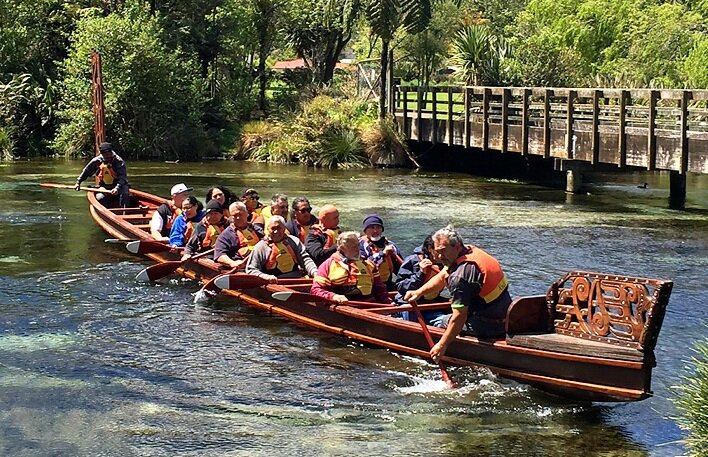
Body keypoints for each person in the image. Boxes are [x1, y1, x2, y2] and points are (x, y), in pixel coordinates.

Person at [404, 226, 512, 363]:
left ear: (456, 246)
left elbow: (459, 316)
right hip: (504, 317)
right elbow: (444, 274)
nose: (440, 257)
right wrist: (419, 292)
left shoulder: (460, 277)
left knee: (436, 319)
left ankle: (428, 324)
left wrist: (442, 345)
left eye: (443, 251)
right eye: (437, 252)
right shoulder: (470, 251)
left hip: (485, 326)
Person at [310, 231, 391, 304]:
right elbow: (316, 290)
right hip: (345, 307)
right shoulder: (327, 265)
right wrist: (333, 296)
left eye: (358, 245)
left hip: (369, 306)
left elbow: (379, 288)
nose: (358, 249)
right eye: (354, 247)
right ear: (342, 248)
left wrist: (387, 301)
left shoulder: (369, 265)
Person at [245, 215, 318, 282]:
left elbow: (305, 259)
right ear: (267, 229)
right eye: (273, 228)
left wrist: (314, 272)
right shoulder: (261, 247)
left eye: (279, 228)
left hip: (297, 279)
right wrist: (265, 277)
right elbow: (251, 270)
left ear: (284, 228)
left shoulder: (294, 241)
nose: (276, 231)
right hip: (275, 282)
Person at [394, 234, 447, 323]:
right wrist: (421, 273)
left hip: (431, 304)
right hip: (410, 304)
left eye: (445, 251)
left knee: (444, 320)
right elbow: (401, 288)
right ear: (430, 248)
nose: (443, 255)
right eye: (439, 251)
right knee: (411, 314)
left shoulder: (446, 263)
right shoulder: (413, 260)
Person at [74, 141, 130, 208]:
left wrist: (116, 188)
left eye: (108, 153)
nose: (107, 156)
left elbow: (122, 178)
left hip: (119, 186)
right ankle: (107, 211)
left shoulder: (119, 161)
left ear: (111, 152)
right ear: (102, 154)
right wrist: (78, 182)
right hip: (104, 187)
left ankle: (124, 211)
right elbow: (86, 171)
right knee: (100, 198)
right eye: (105, 154)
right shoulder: (97, 161)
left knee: (125, 193)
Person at [214, 201, 263, 270]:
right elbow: (219, 255)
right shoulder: (225, 235)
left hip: (259, 264)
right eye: (234, 215)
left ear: (247, 214)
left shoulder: (256, 229)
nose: (237, 218)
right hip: (242, 268)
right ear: (231, 217)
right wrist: (232, 263)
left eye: (240, 214)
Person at [358, 214, 403, 291]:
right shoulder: (359, 245)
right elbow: (366, 265)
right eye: (372, 228)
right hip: (368, 285)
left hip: (386, 283)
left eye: (378, 227)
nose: (375, 231)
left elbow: (401, 267)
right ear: (365, 231)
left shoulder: (390, 245)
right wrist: (383, 254)